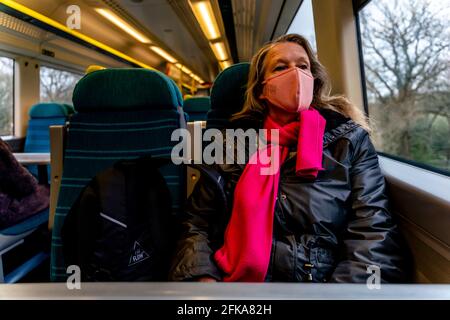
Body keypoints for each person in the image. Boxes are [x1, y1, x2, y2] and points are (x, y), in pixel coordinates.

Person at [169, 34, 409, 283]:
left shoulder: (348, 141)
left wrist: (343, 294)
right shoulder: (231, 144)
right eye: (281, 67)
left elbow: (372, 230)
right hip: (235, 287)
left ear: (313, 80)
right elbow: (195, 222)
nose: (295, 74)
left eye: (303, 66)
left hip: (318, 287)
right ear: (263, 88)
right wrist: (203, 278)